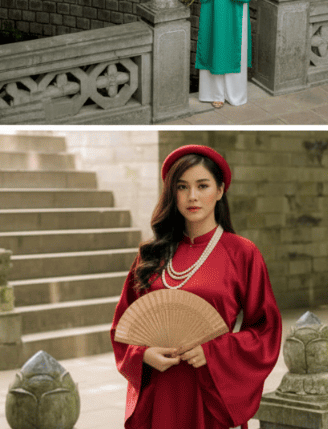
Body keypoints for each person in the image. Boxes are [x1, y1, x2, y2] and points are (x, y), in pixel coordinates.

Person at [110, 145, 281, 429]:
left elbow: (266, 330)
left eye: (203, 186)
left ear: (220, 190)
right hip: (157, 394)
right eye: (182, 186)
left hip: (208, 393)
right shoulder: (151, 255)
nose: (192, 196)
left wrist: (213, 352)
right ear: (171, 193)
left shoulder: (242, 253)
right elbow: (121, 330)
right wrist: (143, 355)